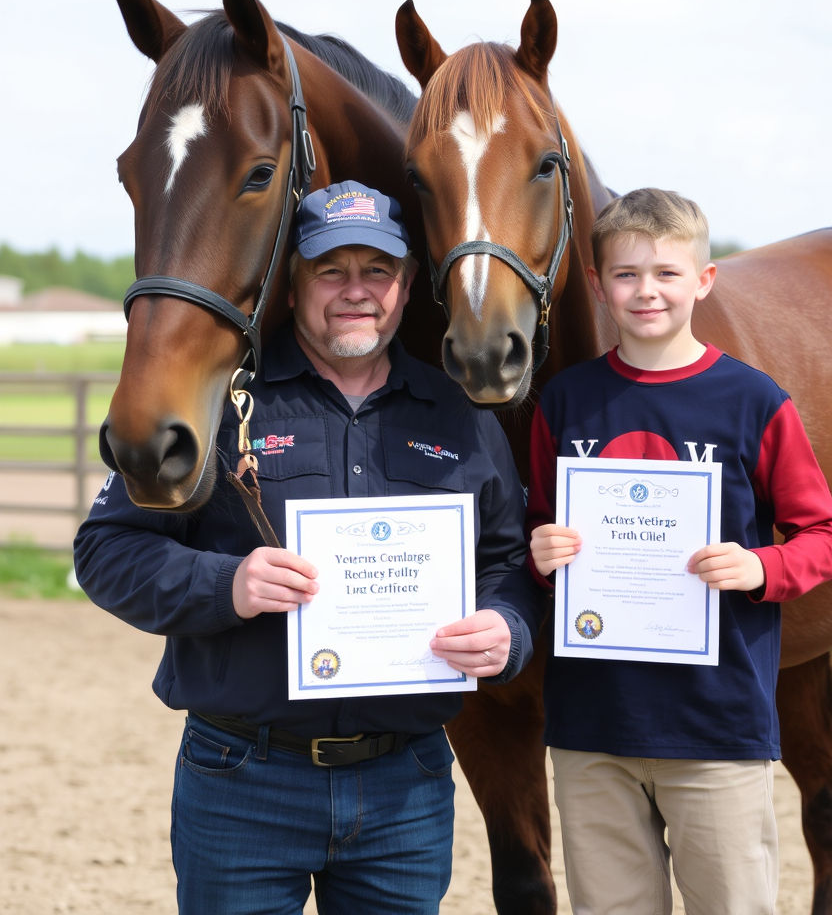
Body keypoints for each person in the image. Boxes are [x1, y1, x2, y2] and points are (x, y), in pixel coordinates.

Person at [74, 179, 543, 915]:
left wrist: (506, 629)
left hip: (405, 789)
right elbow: (106, 551)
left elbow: (507, 563)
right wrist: (227, 584)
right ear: (292, 286)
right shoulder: (221, 404)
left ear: (408, 286)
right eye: (331, 270)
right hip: (243, 781)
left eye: (377, 272)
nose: (356, 291)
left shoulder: (461, 415)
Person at [527, 187, 832, 915]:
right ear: (598, 286)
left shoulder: (756, 401)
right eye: (627, 275)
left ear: (704, 279)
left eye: (667, 273)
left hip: (716, 728)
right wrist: (542, 553)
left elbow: (819, 535)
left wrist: (762, 566)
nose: (646, 291)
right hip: (592, 734)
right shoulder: (565, 402)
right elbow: (537, 528)